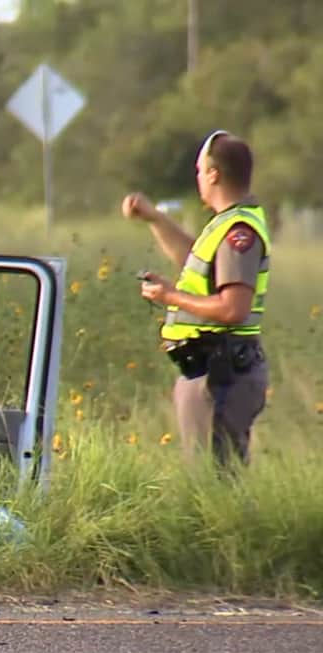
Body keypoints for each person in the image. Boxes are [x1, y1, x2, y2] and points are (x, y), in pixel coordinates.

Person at [120, 130, 270, 468]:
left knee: (215, 480)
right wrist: (155, 219)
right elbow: (193, 258)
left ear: (214, 174)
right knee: (207, 474)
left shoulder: (238, 233)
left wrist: (171, 296)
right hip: (212, 370)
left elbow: (234, 308)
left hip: (222, 373)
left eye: (200, 170)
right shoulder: (226, 222)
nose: (198, 177)